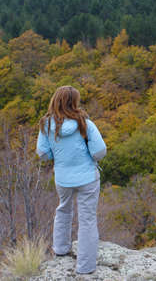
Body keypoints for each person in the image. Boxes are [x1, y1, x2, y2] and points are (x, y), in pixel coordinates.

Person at [36, 85, 106, 275]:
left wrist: (57, 156)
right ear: (75, 102)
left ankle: (60, 249)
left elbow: (42, 154)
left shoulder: (46, 124)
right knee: (87, 220)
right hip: (87, 178)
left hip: (63, 178)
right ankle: (86, 267)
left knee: (63, 209)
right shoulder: (85, 123)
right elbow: (100, 151)